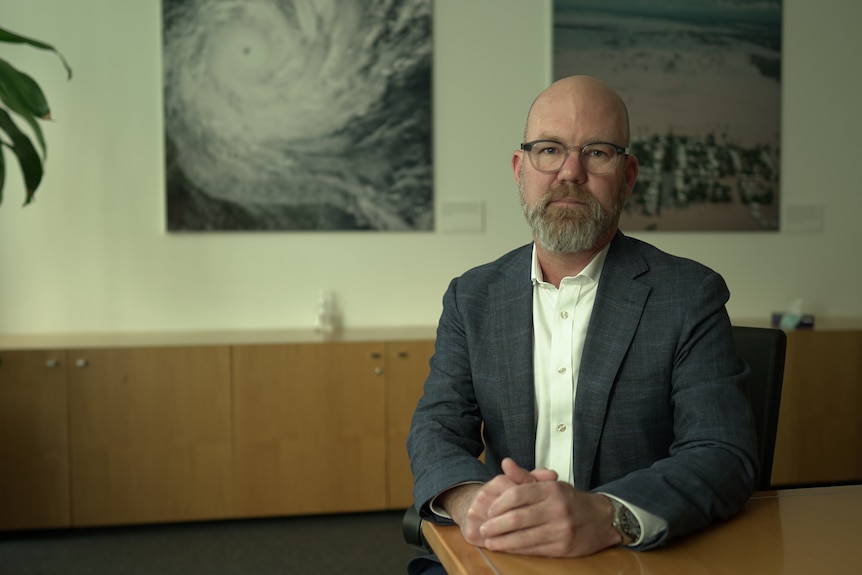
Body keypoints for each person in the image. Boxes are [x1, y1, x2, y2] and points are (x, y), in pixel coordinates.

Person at [406, 75, 758, 574]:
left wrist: (608, 514)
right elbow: (437, 427)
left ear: (629, 175)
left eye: (596, 153)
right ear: (519, 168)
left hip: (631, 557)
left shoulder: (689, 296)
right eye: (549, 150)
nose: (570, 172)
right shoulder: (472, 297)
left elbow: (722, 452)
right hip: (502, 552)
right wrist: (471, 500)